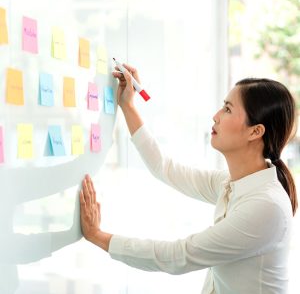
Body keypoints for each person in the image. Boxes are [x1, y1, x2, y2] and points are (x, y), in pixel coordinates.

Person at [80, 63, 298, 294]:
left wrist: (98, 236)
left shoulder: (265, 206)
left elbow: (179, 256)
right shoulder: (231, 183)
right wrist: (128, 105)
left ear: (255, 131)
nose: (215, 116)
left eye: (227, 109)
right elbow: (164, 167)